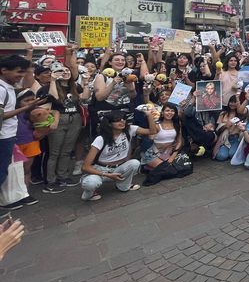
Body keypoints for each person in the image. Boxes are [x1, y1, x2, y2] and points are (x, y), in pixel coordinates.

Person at [80, 110, 154, 201]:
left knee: (135, 163)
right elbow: (85, 167)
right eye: (118, 120)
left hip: (118, 167)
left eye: (123, 119)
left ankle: (123, 185)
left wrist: (149, 115)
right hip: (101, 169)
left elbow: (152, 131)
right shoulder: (100, 139)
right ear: (110, 124)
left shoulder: (129, 130)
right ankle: (89, 193)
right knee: (91, 183)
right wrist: (106, 174)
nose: (122, 121)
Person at [38, 58, 83, 193]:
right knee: (54, 152)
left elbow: (84, 97)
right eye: (61, 71)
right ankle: (50, 181)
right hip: (58, 118)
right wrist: (53, 80)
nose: (65, 72)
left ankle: (62, 177)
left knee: (67, 151)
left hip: (74, 118)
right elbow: (54, 97)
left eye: (67, 70)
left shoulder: (75, 87)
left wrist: (85, 81)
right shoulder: (48, 87)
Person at [0, 54, 40, 193]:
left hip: (8, 136)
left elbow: (28, 82)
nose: (21, 75)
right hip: (3, 137)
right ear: (4, 70)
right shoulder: (1, 89)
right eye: (18, 71)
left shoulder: (10, 87)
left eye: (23, 72)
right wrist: (25, 108)